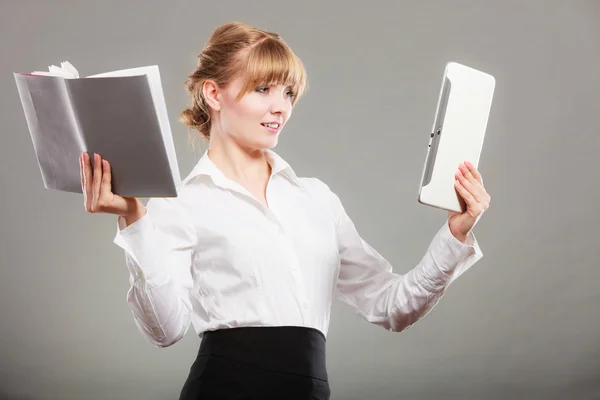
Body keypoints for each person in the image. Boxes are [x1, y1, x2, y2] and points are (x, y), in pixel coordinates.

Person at [79, 21, 490, 400]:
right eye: (263, 90)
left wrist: (455, 234)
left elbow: (391, 306)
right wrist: (133, 220)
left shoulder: (316, 199)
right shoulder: (179, 203)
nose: (281, 107)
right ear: (213, 93)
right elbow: (165, 331)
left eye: (288, 93)